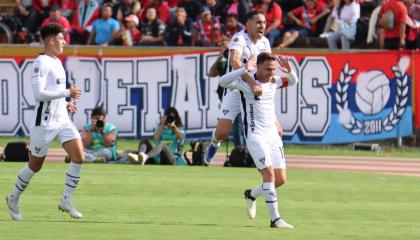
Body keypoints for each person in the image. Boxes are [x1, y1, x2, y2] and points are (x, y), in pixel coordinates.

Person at [5, 23, 84, 221]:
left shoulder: (57, 61)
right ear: (50, 40)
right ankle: (13, 197)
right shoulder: (40, 63)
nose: (65, 41)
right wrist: (67, 92)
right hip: (45, 123)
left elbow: (52, 93)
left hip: (62, 120)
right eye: (61, 38)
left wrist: (65, 103)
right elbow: (39, 94)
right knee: (35, 165)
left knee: (79, 156)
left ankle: (66, 200)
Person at [218, 52, 298, 229]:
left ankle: (251, 194)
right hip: (255, 136)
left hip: (273, 137)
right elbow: (222, 82)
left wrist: (289, 71)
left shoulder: (274, 82)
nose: (271, 73)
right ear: (259, 66)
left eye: (274, 69)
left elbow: (292, 82)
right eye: (268, 69)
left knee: (280, 180)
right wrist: (244, 70)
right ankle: (275, 220)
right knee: (268, 175)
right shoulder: (245, 84)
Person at [204, 10, 275, 163]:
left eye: (264, 22)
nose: (262, 26)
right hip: (236, 88)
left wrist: (269, 82)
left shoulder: (265, 42)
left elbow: (269, 65)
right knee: (223, 131)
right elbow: (235, 62)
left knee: (271, 128)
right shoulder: (239, 38)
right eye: (258, 22)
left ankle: (265, 160)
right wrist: (251, 81)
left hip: (254, 91)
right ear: (248, 24)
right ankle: (214, 143)